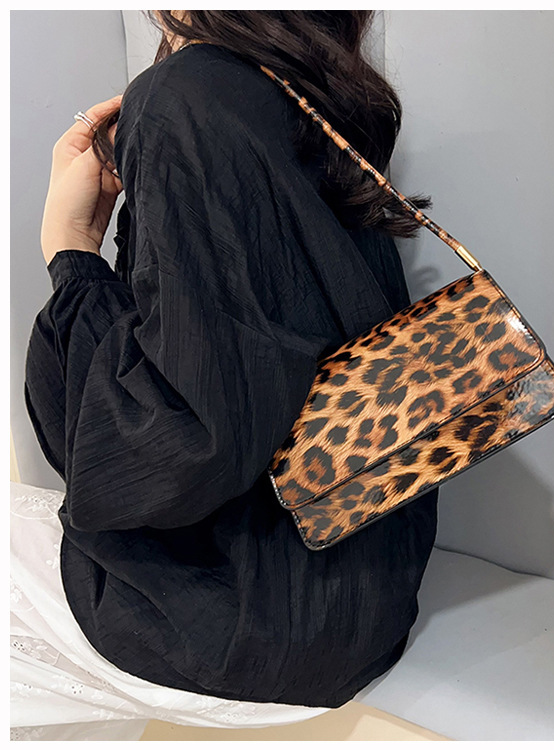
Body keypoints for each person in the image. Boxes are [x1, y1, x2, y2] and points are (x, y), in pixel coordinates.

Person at [15, 10, 439, 739]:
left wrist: (73, 248)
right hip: (363, 594)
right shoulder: (322, 90)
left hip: (248, 625)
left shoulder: (188, 96)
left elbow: (167, 448)